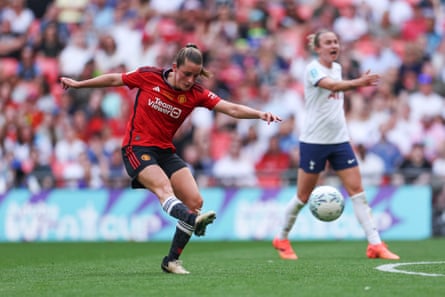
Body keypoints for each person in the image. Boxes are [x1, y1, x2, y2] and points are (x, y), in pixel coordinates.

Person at [60, 43, 281, 274]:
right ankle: (190, 220)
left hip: (165, 151)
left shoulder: (195, 93)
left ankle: (171, 261)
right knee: (164, 189)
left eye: (195, 76)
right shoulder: (148, 76)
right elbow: (116, 79)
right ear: (175, 67)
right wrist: (78, 84)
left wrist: (259, 114)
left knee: (195, 202)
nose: (189, 80)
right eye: (186, 74)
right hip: (136, 148)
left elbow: (231, 109)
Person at [272, 30, 400, 260]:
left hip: (340, 140)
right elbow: (333, 86)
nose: (334, 45)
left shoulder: (338, 68)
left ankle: (375, 244)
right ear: (318, 48)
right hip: (314, 141)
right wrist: (359, 83)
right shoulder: (312, 69)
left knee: (358, 192)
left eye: (336, 41)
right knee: (303, 195)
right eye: (328, 42)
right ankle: (281, 238)